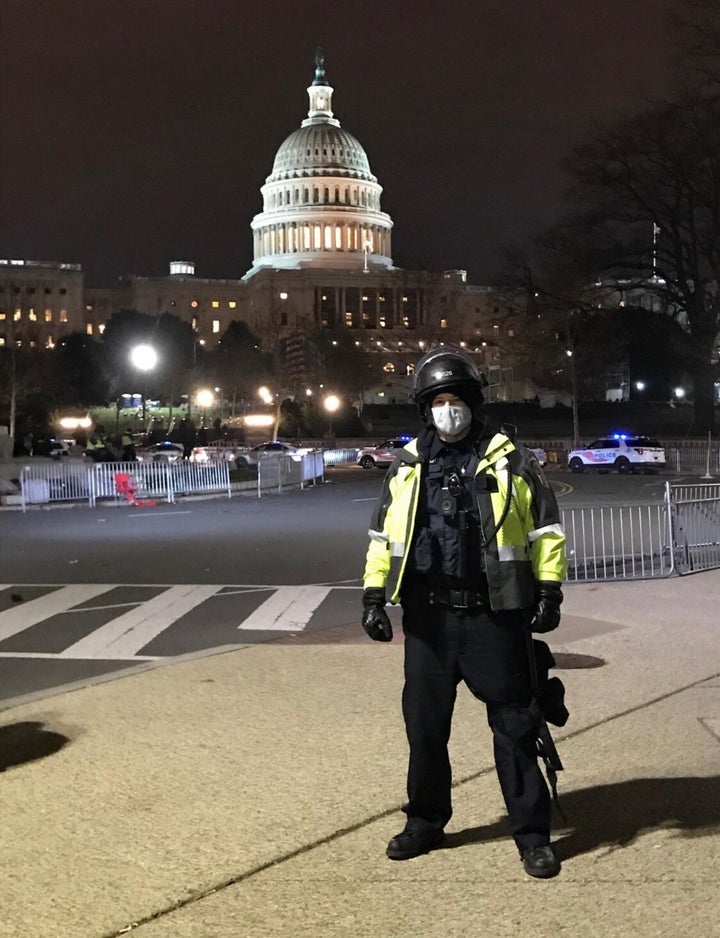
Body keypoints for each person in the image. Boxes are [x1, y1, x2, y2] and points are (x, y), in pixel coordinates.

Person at [361, 346, 567, 878]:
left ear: (474, 403)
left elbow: (546, 531)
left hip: (494, 615)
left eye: (456, 400)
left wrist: (548, 591)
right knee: (425, 728)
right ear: (425, 408)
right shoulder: (407, 467)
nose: (448, 410)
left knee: (516, 726)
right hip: (428, 621)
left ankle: (532, 833)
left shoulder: (511, 460)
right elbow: (383, 537)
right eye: (438, 401)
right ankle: (426, 821)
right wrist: (372, 596)